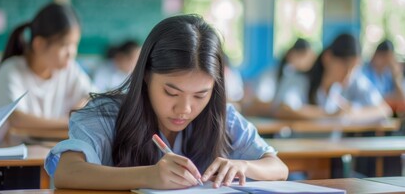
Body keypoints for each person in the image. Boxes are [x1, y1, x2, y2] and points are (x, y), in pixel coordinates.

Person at [45, 14, 288, 190]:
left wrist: (245, 166)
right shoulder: (105, 115)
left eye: (200, 95)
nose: (185, 109)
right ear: (147, 76)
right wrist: (148, 176)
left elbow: (278, 168)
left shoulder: (222, 116)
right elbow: (67, 171)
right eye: (171, 93)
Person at [0, 2, 94, 144]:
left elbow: (92, 96)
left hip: (46, 154)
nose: (71, 53)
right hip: (10, 161)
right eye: (65, 45)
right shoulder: (11, 70)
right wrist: (70, 122)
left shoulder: (69, 69)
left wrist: (80, 108)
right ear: (39, 44)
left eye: (75, 45)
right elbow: (17, 119)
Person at [275, 33, 392, 121]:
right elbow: (284, 109)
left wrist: (352, 113)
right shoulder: (298, 80)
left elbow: (384, 109)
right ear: (328, 58)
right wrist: (330, 115)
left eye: (354, 68)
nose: (349, 73)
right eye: (345, 65)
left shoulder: (352, 80)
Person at [243, 38, 315, 116]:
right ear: (292, 55)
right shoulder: (272, 74)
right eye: (306, 57)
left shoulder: (300, 78)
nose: (311, 62)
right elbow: (260, 101)